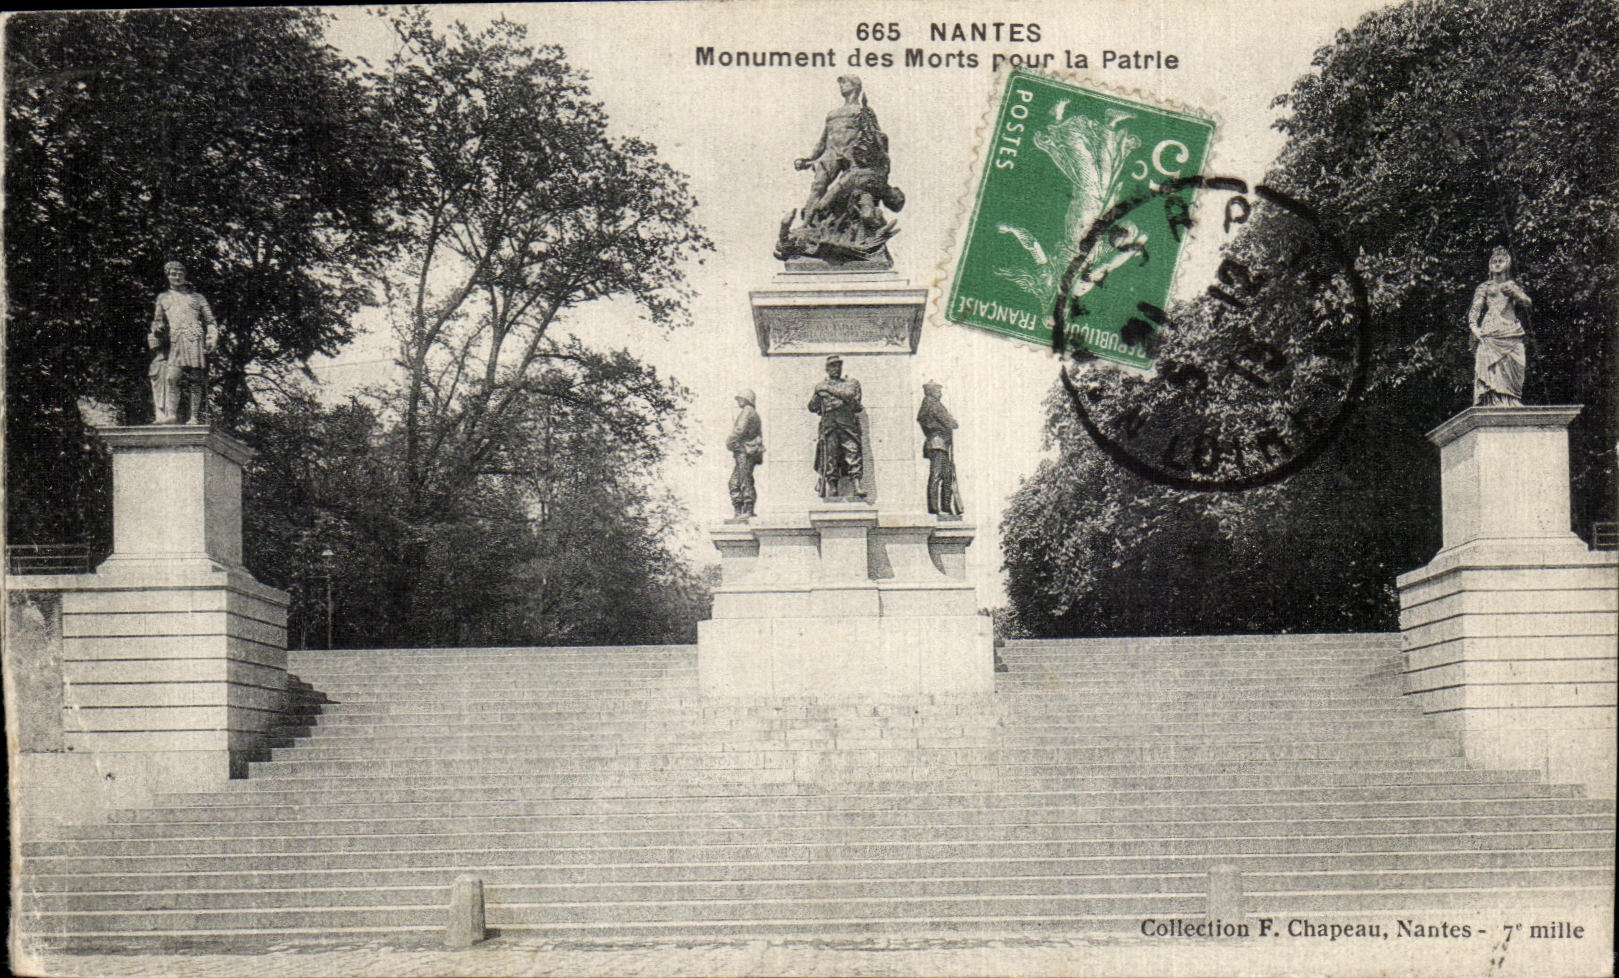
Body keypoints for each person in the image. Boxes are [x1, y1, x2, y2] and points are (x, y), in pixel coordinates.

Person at [148, 261, 218, 424]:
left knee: (195, 378)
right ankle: (171, 414)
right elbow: (157, 321)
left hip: (193, 337)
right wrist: (157, 328)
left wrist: (212, 337)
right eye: (173, 274)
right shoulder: (163, 298)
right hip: (175, 338)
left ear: (184, 275)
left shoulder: (197, 298)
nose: (176, 277)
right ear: (168, 276)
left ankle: (193, 417)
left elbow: (210, 321)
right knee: (172, 377)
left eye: (179, 273)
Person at [1468, 246, 1531, 407]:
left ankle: (1512, 400)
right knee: (1491, 369)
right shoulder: (1485, 287)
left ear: (1507, 264)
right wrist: (1474, 328)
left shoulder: (1511, 285)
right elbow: (1475, 309)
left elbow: (1527, 303)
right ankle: (1494, 401)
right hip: (1491, 332)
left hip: (1511, 330)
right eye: (1494, 261)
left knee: (1517, 362)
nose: (1496, 264)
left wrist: (1515, 293)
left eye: (1500, 261)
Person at [807, 355, 865, 499]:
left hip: (848, 426)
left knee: (853, 452)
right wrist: (817, 393)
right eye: (832, 366)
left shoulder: (850, 382)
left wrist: (826, 389)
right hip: (829, 426)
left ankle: (857, 485)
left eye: (838, 365)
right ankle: (832, 487)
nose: (836, 368)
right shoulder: (821, 387)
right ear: (827, 369)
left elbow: (850, 394)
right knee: (830, 456)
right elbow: (812, 407)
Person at [917, 381, 963, 517]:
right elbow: (951, 422)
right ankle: (938, 508)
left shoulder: (928, 405)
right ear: (931, 391)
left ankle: (944, 507)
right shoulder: (933, 404)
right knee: (938, 476)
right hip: (938, 442)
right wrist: (951, 422)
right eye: (938, 390)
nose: (940, 393)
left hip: (939, 442)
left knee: (945, 476)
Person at [726, 389, 764, 519]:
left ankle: (747, 510)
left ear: (747, 399)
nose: (738, 401)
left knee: (743, 480)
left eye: (740, 398)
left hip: (745, 452)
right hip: (744, 452)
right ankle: (739, 510)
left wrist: (729, 441)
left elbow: (739, 430)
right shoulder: (751, 412)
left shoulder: (747, 412)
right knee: (736, 482)